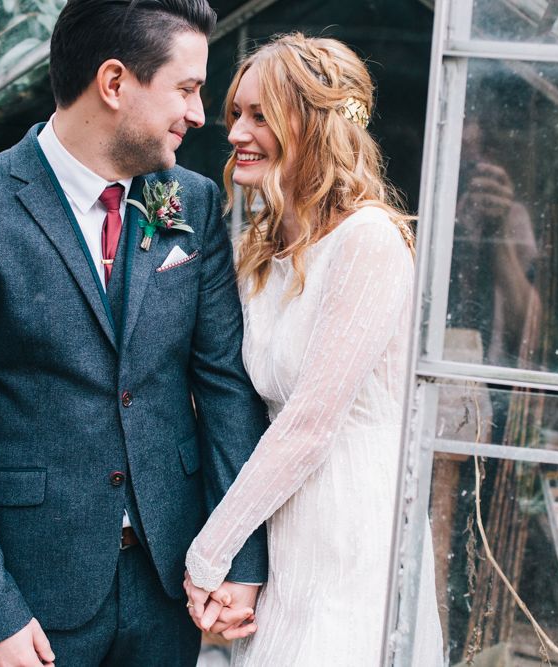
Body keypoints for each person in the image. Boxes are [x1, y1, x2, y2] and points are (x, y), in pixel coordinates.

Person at [0, 1, 269, 665]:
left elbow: (224, 386)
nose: (200, 116)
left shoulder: (190, 202)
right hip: (31, 597)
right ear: (113, 83)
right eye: (187, 89)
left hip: (166, 585)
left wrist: (238, 557)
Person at [184, 33, 444, 666]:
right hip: (285, 526)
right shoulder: (265, 246)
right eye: (235, 115)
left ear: (312, 124)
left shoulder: (369, 242)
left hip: (349, 523)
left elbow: (308, 425)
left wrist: (209, 552)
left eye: (260, 115)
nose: (236, 133)